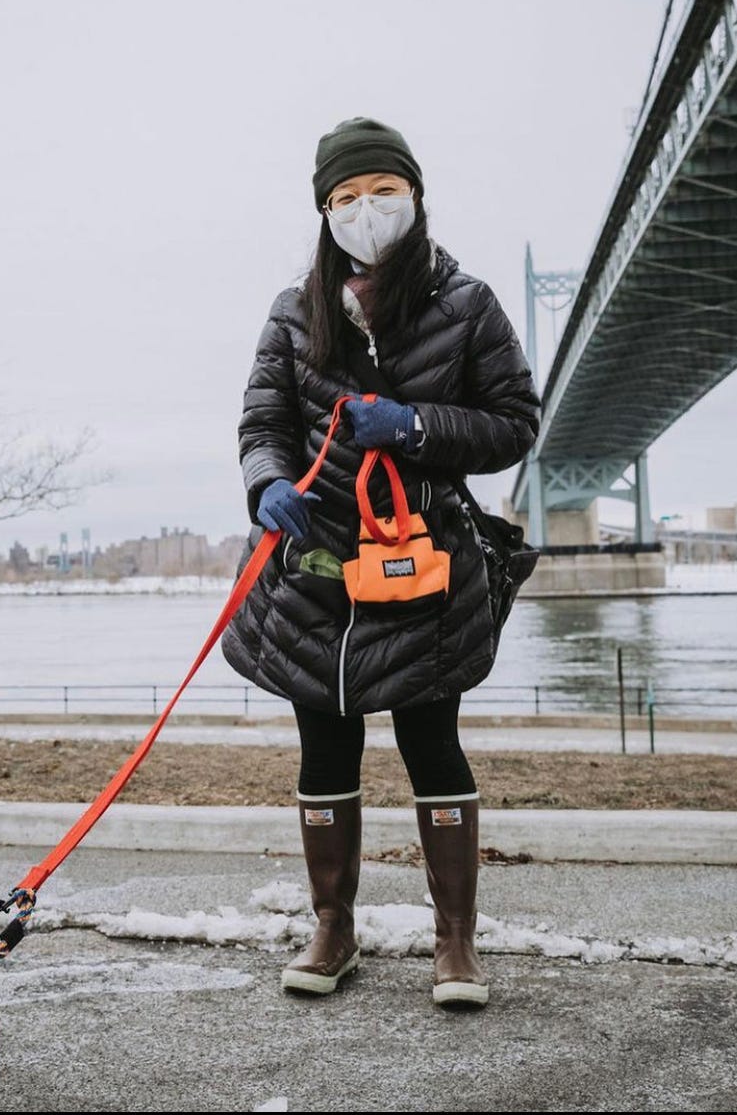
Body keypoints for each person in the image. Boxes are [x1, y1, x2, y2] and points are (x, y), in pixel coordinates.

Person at [221, 117, 540, 1007]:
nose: (364, 210)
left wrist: (411, 427)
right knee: (323, 742)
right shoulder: (293, 311)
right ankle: (333, 927)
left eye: (380, 192)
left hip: (424, 566)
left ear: (413, 195)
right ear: (324, 213)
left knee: (429, 740)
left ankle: (455, 941)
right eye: (344, 198)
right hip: (313, 569)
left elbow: (516, 423)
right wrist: (266, 486)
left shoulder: (467, 303)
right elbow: (261, 425)